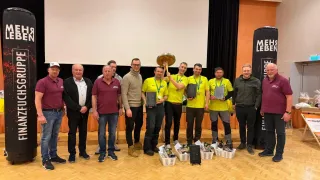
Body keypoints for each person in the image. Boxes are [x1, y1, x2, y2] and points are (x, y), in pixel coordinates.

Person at [35, 62, 66, 170]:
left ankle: (53, 155)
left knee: (54, 135)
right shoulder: (42, 82)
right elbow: (37, 99)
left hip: (58, 113)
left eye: (57, 69)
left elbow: (61, 96)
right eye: (52, 69)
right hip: (47, 113)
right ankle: (45, 159)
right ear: (48, 70)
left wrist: (63, 108)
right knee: (46, 137)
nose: (55, 71)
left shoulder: (61, 81)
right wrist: (40, 115)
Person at [259, 63, 292, 162]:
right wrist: (262, 108)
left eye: (272, 70)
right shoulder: (264, 81)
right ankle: (269, 150)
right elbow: (264, 95)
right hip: (268, 112)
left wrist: (288, 112)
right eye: (268, 70)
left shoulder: (283, 80)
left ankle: (279, 154)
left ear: (276, 70)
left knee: (280, 133)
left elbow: (289, 96)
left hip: (280, 113)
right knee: (269, 132)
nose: (269, 72)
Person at [92, 65, 123, 162]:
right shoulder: (97, 82)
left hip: (114, 113)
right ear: (102, 72)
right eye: (105, 71)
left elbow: (119, 96)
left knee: (112, 133)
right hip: (101, 113)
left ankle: (111, 152)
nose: (107, 73)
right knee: (101, 134)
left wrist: (121, 107)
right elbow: (94, 96)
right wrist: (94, 110)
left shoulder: (117, 82)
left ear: (112, 72)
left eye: (109, 71)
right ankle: (102, 153)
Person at [63, 64, 93, 162]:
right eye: (76, 70)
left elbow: (91, 97)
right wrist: (79, 108)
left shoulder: (88, 81)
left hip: (85, 112)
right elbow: (66, 98)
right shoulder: (67, 82)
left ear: (83, 71)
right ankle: (72, 153)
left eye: (80, 70)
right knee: (72, 133)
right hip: (73, 112)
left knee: (83, 132)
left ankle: (82, 151)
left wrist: (87, 107)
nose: (78, 72)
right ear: (72, 71)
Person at [233, 64, 261, 155]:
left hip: (251, 108)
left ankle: (249, 145)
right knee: (241, 126)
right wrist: (234, 103)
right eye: (245, 70)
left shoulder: (256, 81)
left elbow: (259, 94)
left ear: (250, 71)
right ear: (242, 71)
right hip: (240, 107)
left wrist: (256, 106)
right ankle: (242, 143)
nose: (246, 72)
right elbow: (234, 93)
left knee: (250, 127)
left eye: (248, 70)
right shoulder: (237, 81)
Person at [142, 67, 168, 156]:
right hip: (151, 106)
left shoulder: (164, 83)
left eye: (161, 72)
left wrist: (163, 100)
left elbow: (166, 95)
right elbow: (142, 92)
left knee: (157, 127)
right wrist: (145, 102)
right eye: (158, 71)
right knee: (151, 127)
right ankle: (147, 148)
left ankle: (154, 145)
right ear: (154, 72)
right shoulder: (148, 81)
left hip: (160, 107)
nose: (159, 73)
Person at [121, 58, 143, 157]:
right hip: (131, 107)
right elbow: (124, 94)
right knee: (130, 127)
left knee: (139, 125)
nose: (136, 66)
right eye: (134, 64)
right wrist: (127, 108)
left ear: (140, 66)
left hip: (139, 106)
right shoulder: (126, 77)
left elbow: (139, 91)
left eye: (138, 65)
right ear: (131, 65)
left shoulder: (140, 76)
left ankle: (137, 142)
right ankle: (130, 147)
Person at [208, 67, 233, 150]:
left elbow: (231, 92)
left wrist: (225, 98)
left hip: (224, 107)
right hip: (213, 107)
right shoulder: (210, 81)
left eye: (220, 72)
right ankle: (214, 139)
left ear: (223, 73)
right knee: (214, 124)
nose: (219, 74)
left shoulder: (227, 81)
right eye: (217, 72)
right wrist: (210, 97)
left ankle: (229, 141)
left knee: (226, 124)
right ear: (215, 73)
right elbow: (207, 92)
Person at [164, 62, 188, 148]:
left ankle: (175, 139)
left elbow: (179, 87)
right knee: (169, 123)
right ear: (179, 67)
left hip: (179, 104)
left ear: (186, 69)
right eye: (182, 67)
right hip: (169, 103)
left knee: (177, 123)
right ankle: (167, 142)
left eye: (185, 68)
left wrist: (170, 78)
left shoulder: (186, 79)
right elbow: (162, 80)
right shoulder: (172, 76)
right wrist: (164, 68)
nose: (183, 69)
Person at [186, 63, 209, 145]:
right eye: (196, 69)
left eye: (199, 69)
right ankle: (189, 141)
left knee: (198, 125)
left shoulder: (205, 79)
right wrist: (187, 96)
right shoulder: (188, 79)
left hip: (200, 106)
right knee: (189, 125)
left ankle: (197, 140)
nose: (198, 71)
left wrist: (206, 103)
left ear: (201, 70)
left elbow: (207, 91)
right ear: (193, 69)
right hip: (190, 106)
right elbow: (185, 90)